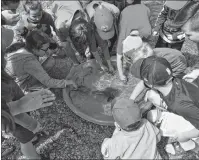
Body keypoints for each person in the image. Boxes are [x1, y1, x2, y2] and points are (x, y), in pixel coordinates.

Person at [138, 56, 199, 142]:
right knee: (151, 97)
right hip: (191, 105)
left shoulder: (178, 105)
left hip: (193, 116)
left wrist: (185, 135)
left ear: (150, 85)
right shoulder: (178, 79)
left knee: (159, 124)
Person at [4, 30, 77, 93]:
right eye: (45, 49)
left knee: (50, 61)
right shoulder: (30, 61)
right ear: (34, 49)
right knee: (45, 81)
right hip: (15, 85)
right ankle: (26, 90)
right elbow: (48, 82)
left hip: (13, 75)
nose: (48, 51)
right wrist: (66, 82)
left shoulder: (22, 46)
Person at [121, 35, 187, 101]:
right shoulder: (149, 56)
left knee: (163, 84)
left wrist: (153, 90)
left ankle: (165, 99)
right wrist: (131, 99)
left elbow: (147, 81)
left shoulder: (159, 63)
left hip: (178, 65)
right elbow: (144, 81)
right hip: (174, 58)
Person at [116, 0, 151, 82]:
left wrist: (121, 75)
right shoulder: (146, 8)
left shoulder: (122, 39)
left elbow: (119, 58)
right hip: (144, 32)